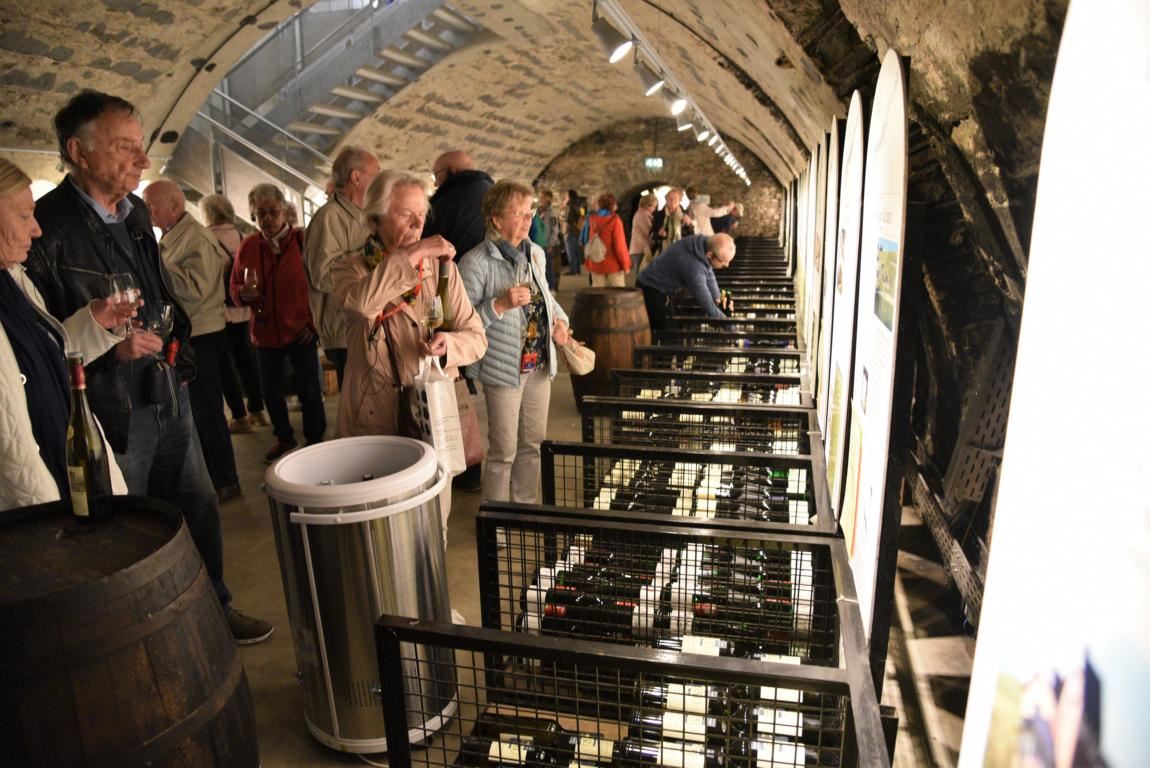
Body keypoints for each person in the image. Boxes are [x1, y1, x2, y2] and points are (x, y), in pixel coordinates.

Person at [25, 90, 272, 643]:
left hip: (165, 387)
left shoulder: (135, 212)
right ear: (78, 152)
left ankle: (214, 610)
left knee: (197, 507)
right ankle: (146, 638)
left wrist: (176, 341)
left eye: (141, 147)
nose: (141, 160)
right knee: (128, 526)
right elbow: (38, 343)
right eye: (124, 147)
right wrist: (110, 348)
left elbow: (156, 290)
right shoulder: (48, 229)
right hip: (110, 408)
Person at [332, 170, 487, 536]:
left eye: (422, 214)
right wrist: (412, 253)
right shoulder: (350, 269)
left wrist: (449, 347)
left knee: (435, 522)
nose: (419, 224)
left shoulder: (441, 270)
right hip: (375, 413)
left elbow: (477, 337)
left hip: (433, 412)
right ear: (376, 218)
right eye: (406, 214)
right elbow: (362, 305)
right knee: (382, 527)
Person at [0, 158, 128, 510]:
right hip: (25, 504)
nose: (37, 230)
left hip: (62, 469)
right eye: (24, 216)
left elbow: (41, 363)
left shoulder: (13, 279)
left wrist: (94, 323)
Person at [458, 180, 571, 505]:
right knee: (503, 450)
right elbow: (463, 324)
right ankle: (496, 517)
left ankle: (523, 509)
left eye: (529, 211)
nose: (527, 219)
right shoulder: (475, 262)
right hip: (503, 368)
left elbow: (546, 296)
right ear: (496, 220)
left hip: (538, 363)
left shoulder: (534, 253)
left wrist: (561, 320)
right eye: (518, 213)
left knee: (533, 444)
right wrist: (499, 305)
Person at [142, 180, 241, 503]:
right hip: (194, 333)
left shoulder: (195, 237)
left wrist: (155, 263)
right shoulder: (175, 235)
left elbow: (196, 289)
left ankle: (225, 480)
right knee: (200, 411)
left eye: (151, 205)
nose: (146, 211)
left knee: (208, 410)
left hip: (203, 334)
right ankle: (213, 477)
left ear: (174, 205)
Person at [229, 183, 326, 462]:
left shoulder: (303, 241)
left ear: (285, 211)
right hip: (265, 330)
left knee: (309, 390)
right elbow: (234, 287)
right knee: (270, 392)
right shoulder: (248, 246)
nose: (267, 219)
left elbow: (321, 287)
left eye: (272, 212)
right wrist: (242, 294)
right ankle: (284, 438)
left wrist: (313, 324)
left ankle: (315, 441)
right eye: (260, 214)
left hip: (300, 330)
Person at [423, 149, 493, 491]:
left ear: (449, 172)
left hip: (449, 296)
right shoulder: (489, 192)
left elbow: (428, 250)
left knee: (451, 385)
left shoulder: (446, 203)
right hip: (488, 298)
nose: (435, 183)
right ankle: (471, 468)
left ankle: (459, 465)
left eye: (436, 176)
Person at [304, 146, 379, 392]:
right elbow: (323, 276)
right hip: (344, 332)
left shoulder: (364, 215)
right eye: (375, 173)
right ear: (356, 177)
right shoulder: (329, 217)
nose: (379, 180)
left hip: (367, 324)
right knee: (360, 403)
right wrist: (373, 254)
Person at [201, 193, 267, 434]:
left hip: (220, 312)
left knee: (226, 366)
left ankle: (240, 416)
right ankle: (258, 409)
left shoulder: (205, 239)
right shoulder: (243, 237)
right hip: (244, 310)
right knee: (248, 362)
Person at [637, 233, 736, 332]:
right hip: (651, 288)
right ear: (709, 255)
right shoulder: (693, 267)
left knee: (671, 325)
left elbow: (709, 271)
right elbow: (706, 304)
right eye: (723, 262)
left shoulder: (702, 243)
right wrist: (731, 326)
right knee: (666, 331)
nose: (727, 265)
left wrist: (717, 298)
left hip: (660, 286)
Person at [423, 150, 493, 260]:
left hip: (456, 267)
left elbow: (426, 243)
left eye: (436, 175)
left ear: (451, 171)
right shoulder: (494, 193)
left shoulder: (447, 201)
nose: (435, 183)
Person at [582, 192, 631, 287]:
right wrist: (625, 264)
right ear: (612, 205)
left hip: (596, 261)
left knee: (597, 292)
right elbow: (620, 245)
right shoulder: (615, 221)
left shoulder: (592, 219)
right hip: (613, 263)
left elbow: (587, 239)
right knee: (619, 292)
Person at [529, 189, 561, 291]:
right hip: (540, 244)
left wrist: (550, 244)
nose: (540, 199)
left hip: (548, 244)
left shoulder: (552, 212)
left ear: (547, 198)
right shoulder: (539, 211)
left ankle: (552, 288)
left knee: (549, 268)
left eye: (542, 197)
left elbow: (555, 229)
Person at [650, 187, 692, 256]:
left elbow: (691, 235)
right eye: (670, 198)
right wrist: (658, 234)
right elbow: (651, 234)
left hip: (681, 252)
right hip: (662, 253)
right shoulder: (658, 215)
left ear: (680, 200)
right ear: (666, 200)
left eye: (675, 198)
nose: (672, 200)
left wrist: (688, 225)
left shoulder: (685, 215)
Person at [629, 193, 657, 273]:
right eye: (654, 207)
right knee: (642, 273)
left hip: (639, 249)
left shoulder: (641, 214)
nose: (654, 209)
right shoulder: (642, 215)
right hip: (640, 249)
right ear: (647, 205)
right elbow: (649, 231)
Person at [562, 188, 586, 276]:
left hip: (569, 230)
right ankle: (577, 270)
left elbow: (568, 217)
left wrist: (562, 212)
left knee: (570, 251)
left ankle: (573, 269)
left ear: (570, 196)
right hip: (576, 230)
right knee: (576, 251)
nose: (565, 197)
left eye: (566, 195)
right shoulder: (578, 205)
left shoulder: (569, 205)